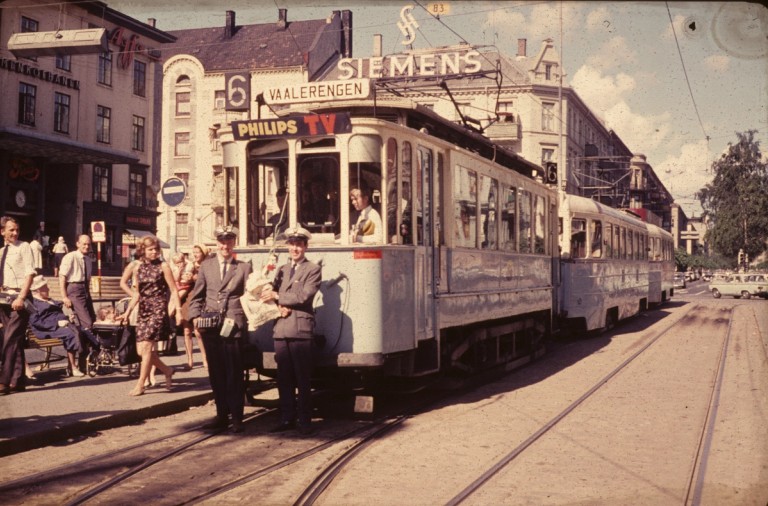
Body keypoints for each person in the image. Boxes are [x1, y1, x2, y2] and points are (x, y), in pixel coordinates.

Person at [188, 226, 252, 433]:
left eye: (229, 242)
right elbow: (197, 296)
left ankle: (237, 418)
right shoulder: (206, 266)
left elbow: (251, 296)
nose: (225, 246)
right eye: (222, 242)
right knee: (216, 373)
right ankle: (221, 415)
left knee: (234, 373)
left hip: (233, 326)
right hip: (212, 326)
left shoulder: (243, 267)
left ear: (234, 243)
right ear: (216, 244)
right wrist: (195, 317)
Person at [260, 226, 322, 434]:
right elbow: (273, 293)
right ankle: (287, 418)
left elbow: (304, 296)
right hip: (281, 328)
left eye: (299, 245)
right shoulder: (282, 270)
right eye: (292, 244)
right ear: (287, 247)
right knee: (284, 377)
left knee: (302, 378)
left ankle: (305, 421)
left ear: (305, 247)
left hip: (300, 330)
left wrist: (279, 298)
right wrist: (278, 306)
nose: (295, 249)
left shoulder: (312, 269)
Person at [117, 235, 180, 396]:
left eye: (156, 249)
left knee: (146, 348)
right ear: (142, 250)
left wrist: (177, 309)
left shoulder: (163, 266)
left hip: (158, 309)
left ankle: (140, 385)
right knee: (141, 351)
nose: (154, 252)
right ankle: (167, 370)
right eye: (150, 249)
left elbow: (174, 289)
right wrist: (127, 312)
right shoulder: (138, 267)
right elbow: (137, 294)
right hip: (143, 309)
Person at [0, 216, 36, 395]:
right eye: (11, 230)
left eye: (17, 230)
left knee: (9, 339)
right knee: (14, 340)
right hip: (4, 299)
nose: (15, 233)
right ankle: (18, 380)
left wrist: (21, 297)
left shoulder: (24, 247)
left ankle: (4, 381)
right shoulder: (1, 252)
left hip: (20, 298)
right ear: (2, 232)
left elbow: (30, 273)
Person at [28, 275, 89, 377]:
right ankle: (73, 367)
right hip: (46, 330)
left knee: (83, 331)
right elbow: (36, 322)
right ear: (38, 290)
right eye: (45, 287)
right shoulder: (34, 303)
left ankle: (81, 364)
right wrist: (57, 324)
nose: (48, 289)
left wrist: (67, 317)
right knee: (70, 334)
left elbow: (56, 315)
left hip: (60, 326)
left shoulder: (48, 300)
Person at [58, 234, 98, 371]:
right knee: (86, 324)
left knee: (91, 322)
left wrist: (88, 295)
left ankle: (83, 362)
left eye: (88, 244)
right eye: (83, 244)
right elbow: (62, 277)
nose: (86, 246)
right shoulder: (70, 257)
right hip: (74, 289)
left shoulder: (88, 259)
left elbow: (87, 280)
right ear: (77, 244)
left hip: (85, 290)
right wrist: (64, 297)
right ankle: (80, 360)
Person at [187, 244, 209, 370]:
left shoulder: (207, 265)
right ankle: (190, 360)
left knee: (199, 332)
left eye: (197, 252)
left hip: (203, 299)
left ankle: (205, 358)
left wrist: (196, 278)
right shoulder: (191, 265)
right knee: (187, 331)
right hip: (190, 298)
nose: (195, 254)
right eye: (193, 252)